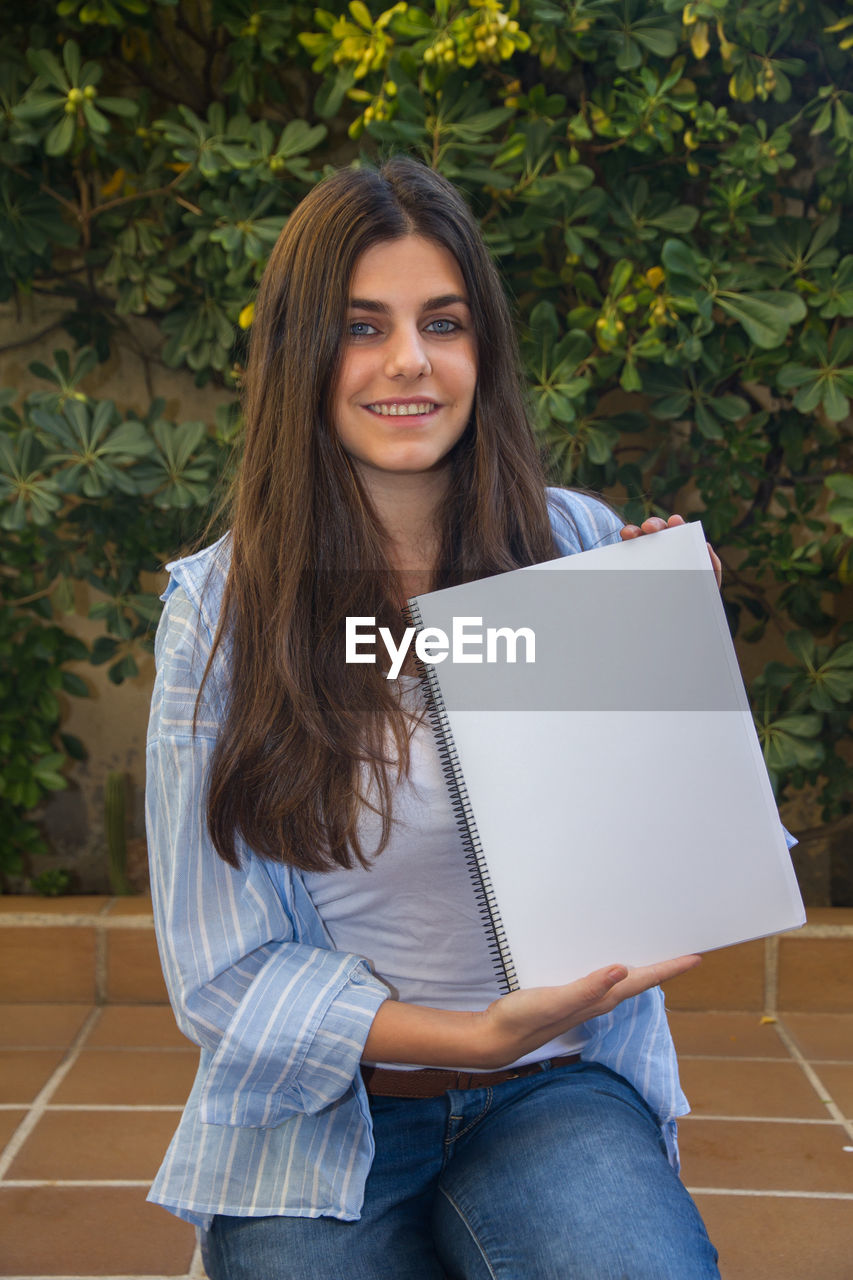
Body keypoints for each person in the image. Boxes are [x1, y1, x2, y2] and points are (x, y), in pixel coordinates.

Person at [145, 155, 724, 1278]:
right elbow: (222, 969)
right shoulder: (219, 612)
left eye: (441, 322)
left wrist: (679, 666)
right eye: (361, 327)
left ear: (482, 349)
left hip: (556, 1087)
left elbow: (666, 844)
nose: (408, 360)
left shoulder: (580, 544)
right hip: (319, 1113)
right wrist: (466, 1034)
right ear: (298, 354)